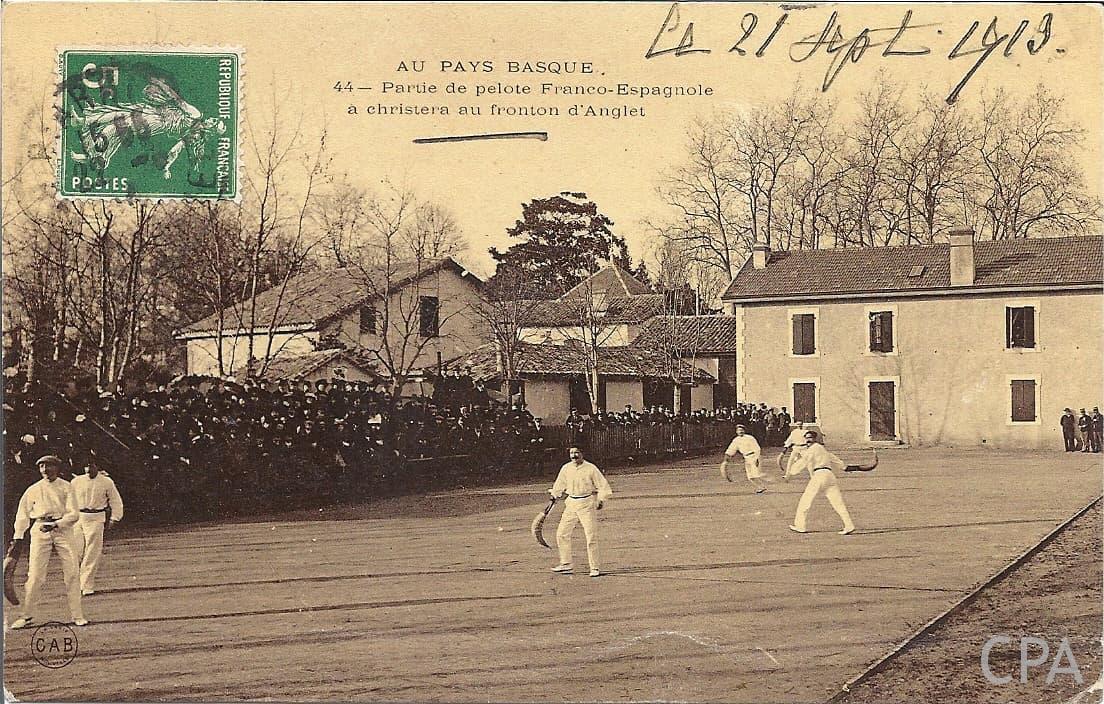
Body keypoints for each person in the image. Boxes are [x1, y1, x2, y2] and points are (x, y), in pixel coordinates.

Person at [6, 455, 87, 629]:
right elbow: (22, 515)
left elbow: (74, 514)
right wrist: (18, 537)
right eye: (41, 467)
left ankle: (77, 615)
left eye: (48, 466)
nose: (45, 470)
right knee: (35, 575)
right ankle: (26, 616)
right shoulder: (33, 489)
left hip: (62, 530)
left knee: (72, 572)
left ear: (57, 468)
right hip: (40, 529)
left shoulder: (67, 487)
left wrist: (56, 524)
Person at [548, 447, 613, 577]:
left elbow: (603, 486)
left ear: (583, 453)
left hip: (586, 504)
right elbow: (559, 484)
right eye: (571, 453)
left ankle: (594, 567)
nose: (574, 455)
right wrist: (554, 496)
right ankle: (566, 563)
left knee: (591, 536)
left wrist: (601, 499)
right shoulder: (566, 468)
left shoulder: (591, 468)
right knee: (562, 533)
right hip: (571, 503)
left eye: (577, 452)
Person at [71, 456, 125, 595]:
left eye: (92, 466)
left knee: (92, 551)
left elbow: (115, 501)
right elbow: (68, 501)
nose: (88, 469)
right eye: (86, 466)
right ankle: (74, 584)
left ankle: (87, 585)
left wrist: (114, 518)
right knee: (75, 551)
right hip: (78, 518)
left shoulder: (106, 482)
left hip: (96, 518)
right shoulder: (76, 481)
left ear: (97, 467)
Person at [784, 430, 856, 536]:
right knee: (837, 503)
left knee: (805, 500)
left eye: (810, 438)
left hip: (819, 475)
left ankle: (800, 526)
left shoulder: (813, 449)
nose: (808, 440)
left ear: (815, 439)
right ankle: (849, 525)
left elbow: (803, 462)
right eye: (806, 438)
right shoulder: (823, 450)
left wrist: (790, 473)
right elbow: (840, 464)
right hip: (829, 476)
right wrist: (850, 467)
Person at [720, 424, 766, 493]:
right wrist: (726, 459)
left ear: (744, 431)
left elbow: (757, 448)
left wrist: (757, 458)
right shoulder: (736, 440)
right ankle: (761, 487)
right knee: (750, 476)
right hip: (746, 458)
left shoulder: (750, 438)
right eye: (739, 430)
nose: (740, 432)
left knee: (756, 474)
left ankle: (765, 482)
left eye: (741, 430)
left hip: (753, 456)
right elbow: (731, 449)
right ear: (736, 432)